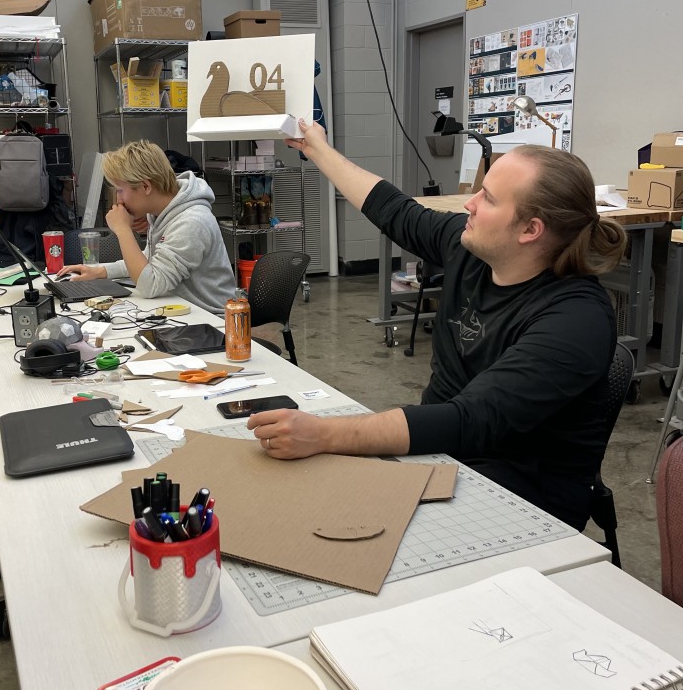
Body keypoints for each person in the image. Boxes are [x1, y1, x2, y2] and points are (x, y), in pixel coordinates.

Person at [248, 118, 628, 530]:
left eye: (489, 198)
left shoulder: (575, 320)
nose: (470, 204)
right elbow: (394, 211)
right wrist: (316, 148)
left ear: (530, 229)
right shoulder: (472, 249)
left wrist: (324, 435)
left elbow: (470, 420)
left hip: (522, 500)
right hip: (442, 455)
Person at [58, 141, 235, 315]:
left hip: (212, 321)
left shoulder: (191, 222)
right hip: (181, 311)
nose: (118, 200)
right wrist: (101, 271)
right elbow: (149, 261)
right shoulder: (161, 212)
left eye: (120, 190)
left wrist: (123, 230)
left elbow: (150, 285)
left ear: (145, 186)